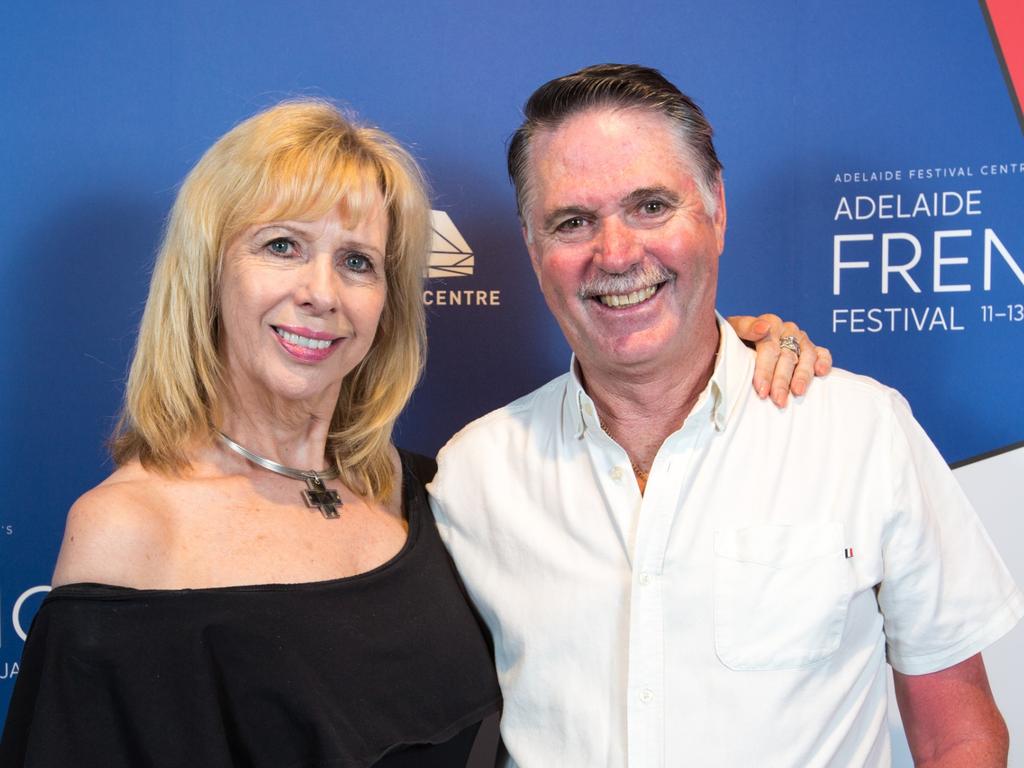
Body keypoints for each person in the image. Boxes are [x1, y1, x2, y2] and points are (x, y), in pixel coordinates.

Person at [0, 97, 822, 767]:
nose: (321, 292)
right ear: (206, 273)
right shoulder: (131, 531)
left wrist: (718, 351)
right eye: (282, 246)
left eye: (357, 261)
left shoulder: (429, 494)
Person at [429, 64, 1024, 767]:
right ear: (533, 248)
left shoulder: (863, 433)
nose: (616, 253)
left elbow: (957, 732)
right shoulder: (472, 478)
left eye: (651, 206)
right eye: (573, 221)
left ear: (716, 209)